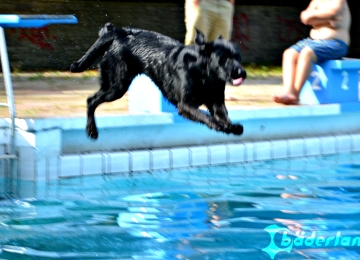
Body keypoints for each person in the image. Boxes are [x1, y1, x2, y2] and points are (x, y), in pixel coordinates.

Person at [273, 0, 351, 105]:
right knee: (289, 53)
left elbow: (333, 12)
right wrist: (327, 20)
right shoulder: (316, 1)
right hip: (313, 41)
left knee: (307, 53)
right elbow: (305, 17)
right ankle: (288, 90)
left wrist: (315, 18)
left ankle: (295, 94)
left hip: (336, 43)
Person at [184, 0, 236, 100]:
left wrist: (230, 3)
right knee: (195, 47)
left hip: (224, 4)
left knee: (221, 50)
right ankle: (188, 89)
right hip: (203, 2)